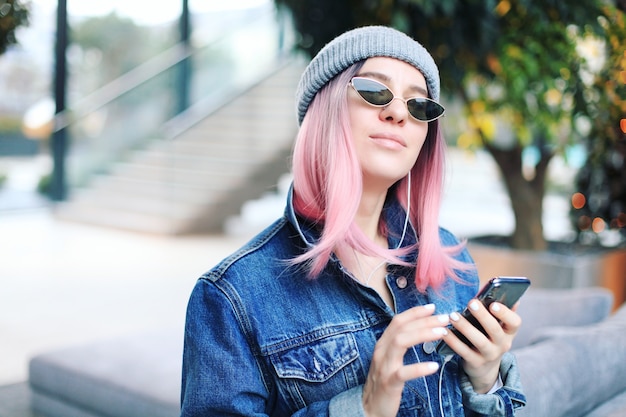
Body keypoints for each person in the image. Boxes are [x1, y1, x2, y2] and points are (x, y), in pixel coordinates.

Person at [180, 26, 527, 417]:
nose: (398, 112)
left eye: (419, 105)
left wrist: (484, 381)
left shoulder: (453, 264)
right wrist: (362, 407)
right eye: (375, 91)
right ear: (326, 109)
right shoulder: (229, 297)